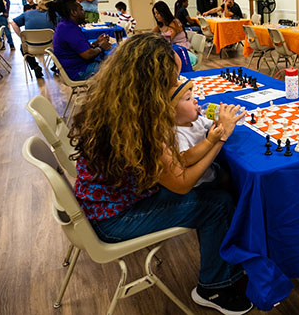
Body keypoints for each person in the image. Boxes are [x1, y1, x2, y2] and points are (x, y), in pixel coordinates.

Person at [68, 33, 252, 315]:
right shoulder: (140, 126)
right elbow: (181, 184)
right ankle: (214, 286)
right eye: (173, 79)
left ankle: (230, 262)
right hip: (113, 218)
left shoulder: (121, 105)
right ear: (153, 83)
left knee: (215, 185)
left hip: (109, 201)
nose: (178, 84)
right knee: (219, 204)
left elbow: (175, 161)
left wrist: (212, 140)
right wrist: (219, 139)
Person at [173, 78, 241, 188]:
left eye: (193, 97)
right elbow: (184, 159)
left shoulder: (196, 120)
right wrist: (209, 141)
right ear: (172, 111)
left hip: (210, 170)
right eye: (188, 99)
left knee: (229, 177)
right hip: (200, 183)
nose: (195, 101)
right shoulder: (177, 133)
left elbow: (214, 123)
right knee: (226, 196)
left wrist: (222, 118)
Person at [50, 0, 111, 81]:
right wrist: (101, 48)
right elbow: (87, 55)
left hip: (73, 68)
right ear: (73, 12)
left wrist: (96, 43)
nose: (84, 12)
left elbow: (77, 49)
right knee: (116, 68)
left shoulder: (64, 25)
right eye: (81, 10)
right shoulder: (69, 29)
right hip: (78, 71)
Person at [11, 0, 55, 79]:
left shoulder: (27, 14)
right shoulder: (54, 15)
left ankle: (35, 66)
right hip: (51, 47)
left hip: (31, 48)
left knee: (22, 47)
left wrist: (21, 37)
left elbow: (13, 23)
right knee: (62, 43)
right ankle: (56, 65)